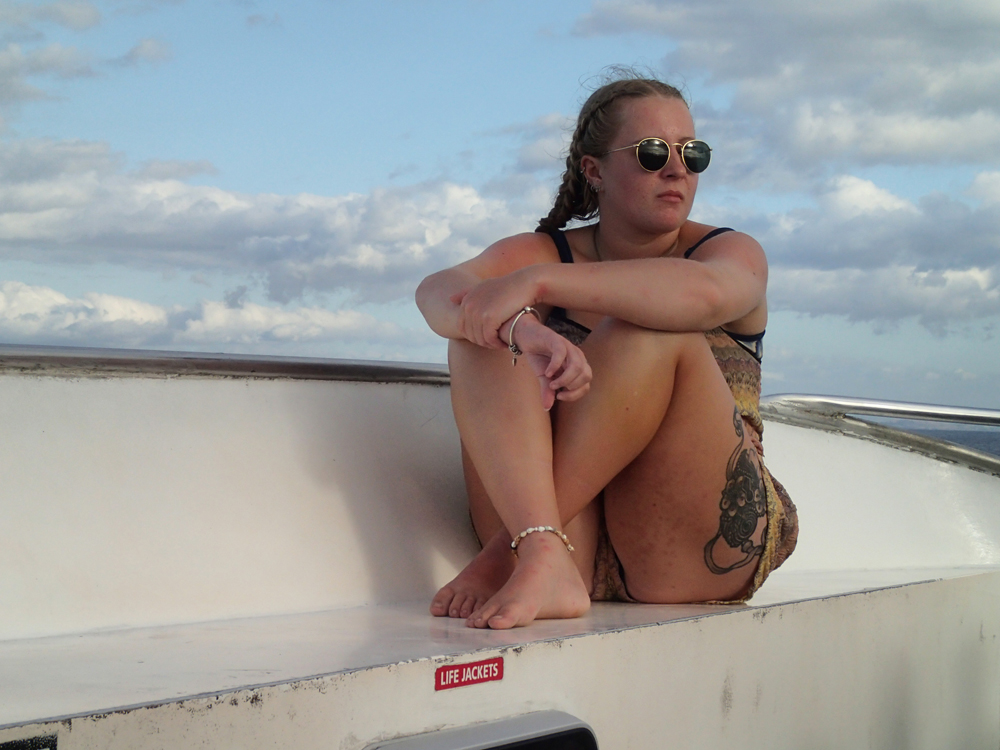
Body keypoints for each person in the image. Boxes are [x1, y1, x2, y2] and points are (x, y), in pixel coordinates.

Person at [415, 72, 798, 630]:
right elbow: (437, 293)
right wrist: (521, 328)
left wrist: (535, 286)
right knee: (482, 333)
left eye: (693, 154)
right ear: (594, 170)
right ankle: (544, 557)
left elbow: (704, 295)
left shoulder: (726, 252)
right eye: (652, 152)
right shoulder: (548, 252)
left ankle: (516, 553)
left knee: (649, 329)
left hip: (688, 545)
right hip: (570, 544)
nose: (677, 169)